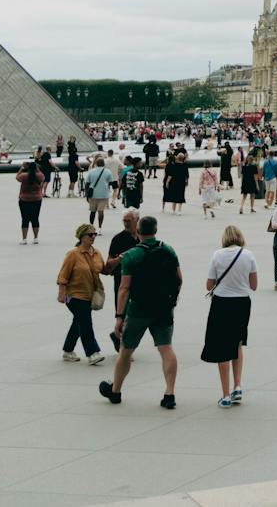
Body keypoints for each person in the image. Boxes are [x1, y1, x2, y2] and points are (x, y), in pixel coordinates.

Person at [99, 215, 181, 408]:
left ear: (138, 231)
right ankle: (169, 393)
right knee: (166, 348)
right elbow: (179, 278)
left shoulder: (132, 255)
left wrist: (119, 316)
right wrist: (172, 300)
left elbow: (124, 288)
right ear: (156, 230)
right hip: (163, 308)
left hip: (138, 309)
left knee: (125, 352)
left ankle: (116, 391)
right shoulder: (168, 250)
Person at [203, 226, 258, 407]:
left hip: (222, 303)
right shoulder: (248, 255)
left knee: (221, 347)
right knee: (237, 343)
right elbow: (254, 285)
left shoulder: (217, 255)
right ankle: (237, 385)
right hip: (242, 303)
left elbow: (209, 284)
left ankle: (225, 394)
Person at [57, 224, 107, 365]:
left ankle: (68, 350)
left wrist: (118, 261)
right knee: (85, 322)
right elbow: (63, 274)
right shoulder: (73, 254)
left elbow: (103, 269)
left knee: (78, 322)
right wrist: (62, 293)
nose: (93, 237)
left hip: (89, 294)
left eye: (95, 234)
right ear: (81, 237)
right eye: (90, 235)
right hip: (74, 296)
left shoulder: (96, 253)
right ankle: (92, 353)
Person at [17, 159, 46, 244]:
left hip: (24, 199)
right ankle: (35, 238)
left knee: (25, 219)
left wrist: (22, 167)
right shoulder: (40, 176)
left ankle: (24, 239)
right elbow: (42, 176)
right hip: (37, 199)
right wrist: (36, 167)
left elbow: (17, 177)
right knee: (35, 218)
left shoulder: (23, 176)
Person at [82, 155, 114, 228]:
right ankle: (99, 227)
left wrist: (87, 194)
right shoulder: (108, 171)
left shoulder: (91, 171)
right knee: (101, 211)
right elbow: (111, 182)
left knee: (92, 212)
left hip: (93, 195)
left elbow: (87, 183)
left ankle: (91, 226)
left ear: (96, 163)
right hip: (104, 195)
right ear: (104, 164)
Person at [163, 149, 189, 214]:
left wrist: (167, 182)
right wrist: (187, 182)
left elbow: (170, 175)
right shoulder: (185, 165)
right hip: (182, 182)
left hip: (174, 182)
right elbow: (187, 175)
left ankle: (173, 210)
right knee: (181, 195)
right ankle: (179, 210)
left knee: (174, 195)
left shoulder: (174, 165)